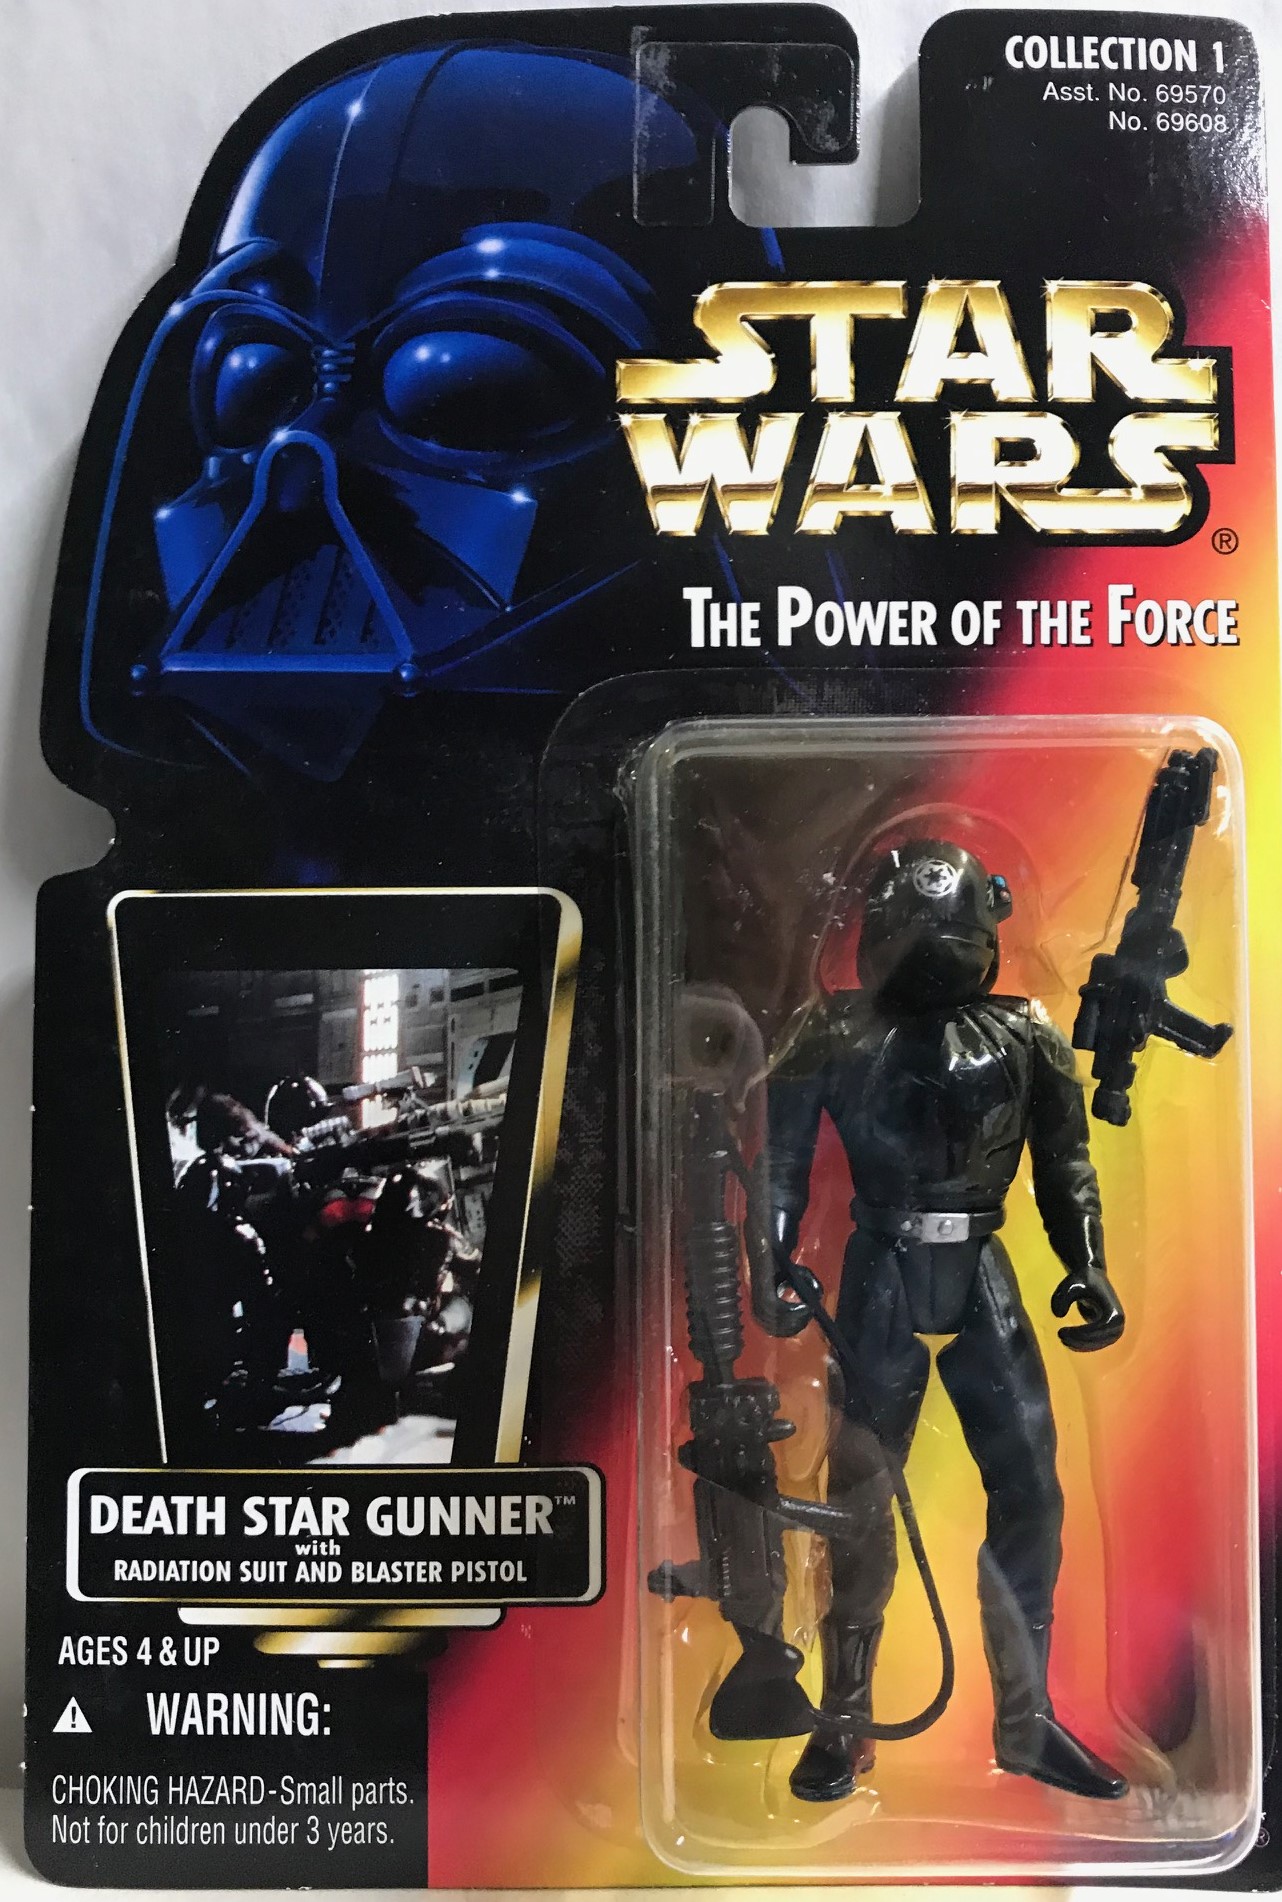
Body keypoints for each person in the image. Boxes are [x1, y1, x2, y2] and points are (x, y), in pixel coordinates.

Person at [762, 839, 1127, 1804]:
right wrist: (772, 1257)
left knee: (1031, 1493)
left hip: (975, 1268)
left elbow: (1067, 1164)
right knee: (858, 1504)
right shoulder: (830, 1032)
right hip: (881, 1266)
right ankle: (845, 1718)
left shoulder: (1028, 1034)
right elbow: (781, 1167)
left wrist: (1088, 1264)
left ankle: (1027, 1721)